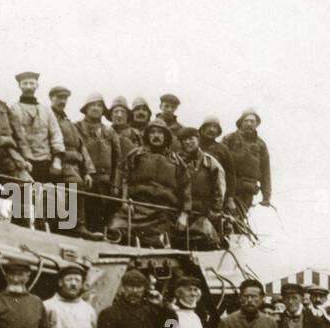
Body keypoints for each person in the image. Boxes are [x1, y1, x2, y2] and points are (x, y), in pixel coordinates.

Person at [106, 116, 190, 248]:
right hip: (135, 209)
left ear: (166, 136)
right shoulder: (135, 155)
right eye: (153, 132)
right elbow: (124, 179)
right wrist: (124, 201)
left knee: (157, 242)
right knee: (114, 231)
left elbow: (186, 189)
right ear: (147, 136)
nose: (156, 135)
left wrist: (184, 214)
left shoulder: (177, 162)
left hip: (162, 213)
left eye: (160, 132)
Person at [49, 87, 101, 238]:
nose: (62, 101)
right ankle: (74, 227)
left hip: (75, 166)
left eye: (65, 99)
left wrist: (89, 171)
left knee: (78, 187)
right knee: (73, 186)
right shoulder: (48, 116)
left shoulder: (68, 122)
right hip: (59, 162)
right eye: (59, 98)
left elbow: (81, 147)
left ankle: (74, 227)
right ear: (51, 98)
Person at [75, 94, 122, 233]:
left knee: (103, 219)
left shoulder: (109, 131)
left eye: (99, 105)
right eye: (92, 105)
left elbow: (117, 160)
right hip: (86, 179)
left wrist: (115, 184)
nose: (96, 108)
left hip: (106, 183)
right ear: (86, 108)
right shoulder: (77, 127)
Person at [175, 127, 226, 250]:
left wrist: (213, 213)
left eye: (191, 139)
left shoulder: (210, 163)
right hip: (179, 212)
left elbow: (219, 190)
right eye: (184, 140)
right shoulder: (175, 160)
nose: (188, 142)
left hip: (203, 213)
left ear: (197, 140)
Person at [12, 72, 66, 186]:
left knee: (46, 199)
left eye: (31, 83)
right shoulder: (13, 108)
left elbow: (56, 135)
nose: (28, 87)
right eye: (24, 83)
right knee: (24, 199)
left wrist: (57, 160)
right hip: (24, 162)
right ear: (19, 86)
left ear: (37, 85)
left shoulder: (46, 110)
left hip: (45, 162)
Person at [221, 108, 271, 213]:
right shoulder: (229, 139)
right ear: (241, 122)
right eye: (246, 120)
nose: (249, 124)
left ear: (256, 124)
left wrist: (266, 195)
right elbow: (219, 161)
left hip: (248, 190)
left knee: (240, 218)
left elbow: (265, 170)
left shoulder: (261, 145)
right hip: (229, 188)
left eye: (252, 121)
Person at [198, 116, 241, 218]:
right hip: (195, 193)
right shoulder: (194, 144)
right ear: (202, 129)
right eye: (209, 126)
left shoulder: (223, 149)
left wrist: (230, 198)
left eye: (215, 127)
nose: (212, 129)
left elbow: (230, 173)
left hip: (215, 195)